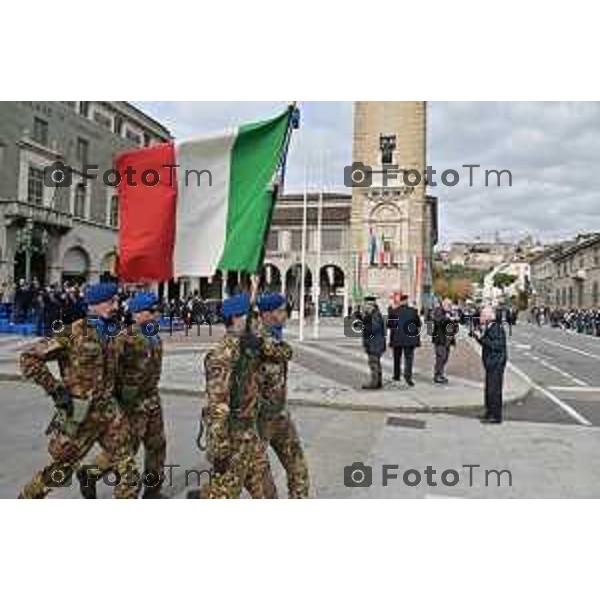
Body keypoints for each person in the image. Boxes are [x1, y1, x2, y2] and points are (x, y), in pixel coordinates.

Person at [18, 282, 139, 499]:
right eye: (110, 302)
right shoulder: (72, 332)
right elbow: (29, 358)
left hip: (110, 412)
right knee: (60, 471)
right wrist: (56, 390)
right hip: (81, 414)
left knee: (127, 463)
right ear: (94, 305)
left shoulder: (114, 332)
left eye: (116, 301)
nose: (116, 305)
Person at [80, 291, 167, 499]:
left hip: (152, 398)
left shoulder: (154, 335)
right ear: (138, 313)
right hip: (132, 402)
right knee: (127, 449)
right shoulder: (125, 338)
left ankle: (153, 492)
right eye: (152, 311)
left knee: (157, 446)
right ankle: (90, 473)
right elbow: (109, 368)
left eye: (157, 311)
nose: (157, 315)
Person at [199, 293, 279, 499]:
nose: (255, 320)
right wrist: (220, 450)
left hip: (250, 436)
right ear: (236, 318)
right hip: (233, 441)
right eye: (251, 316)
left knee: (268, 493)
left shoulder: (248, 348)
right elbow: (217, 406)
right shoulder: (222, 356)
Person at [255, 292, 309, 498]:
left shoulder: (275, 336)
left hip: (280, 415)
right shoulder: (256, 339)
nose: (286, 315)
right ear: (268, 314)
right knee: (260, 483)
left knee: (298, 469)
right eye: (282, 311)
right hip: (259, 421)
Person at [470, 306, 507, 424]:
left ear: (488, 317)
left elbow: (497, 345)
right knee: (489, 390)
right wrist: (477, 337)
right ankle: (489, 412)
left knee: (494, 390)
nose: (480, 317)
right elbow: (487, 344)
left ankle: (495, 416)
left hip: (496, 363)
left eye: (482, 315)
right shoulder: (490, 327)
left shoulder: (496, 328)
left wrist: (481, 338)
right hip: (491, 363)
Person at [388, 293, 420, 386]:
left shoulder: (394, 312)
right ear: (407, 301)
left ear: (400, 301)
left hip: (397, 338)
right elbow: (418, 324)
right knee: (409, 358)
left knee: (397, 358)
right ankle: (408, 377)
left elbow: (390, 325)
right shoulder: (413, 311)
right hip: (410, 339)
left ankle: (396, 375)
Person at [361, 295, 386, 390]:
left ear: (371, 305)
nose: (364, 307)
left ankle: (374, 383)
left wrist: (364, 325)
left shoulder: (374, 315)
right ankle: (377, 382)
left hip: (374, 344)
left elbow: (373, 329)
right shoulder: (374, 314)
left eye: (366, 305)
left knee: (374, 364)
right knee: (376, 363)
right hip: (375, 343)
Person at [431, 297, 458, 384]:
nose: (450, 306)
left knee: (445, 357)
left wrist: (454, 322)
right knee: (441, 357)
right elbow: (438, 321)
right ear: (443, 304)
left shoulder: (450, 312)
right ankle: (437, 375)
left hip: (448, 339)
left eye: (450, 305)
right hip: (440, 338)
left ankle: (440, 374)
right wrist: (448, 319)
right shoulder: (438, 311)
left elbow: (454, 325)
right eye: (448, 305)